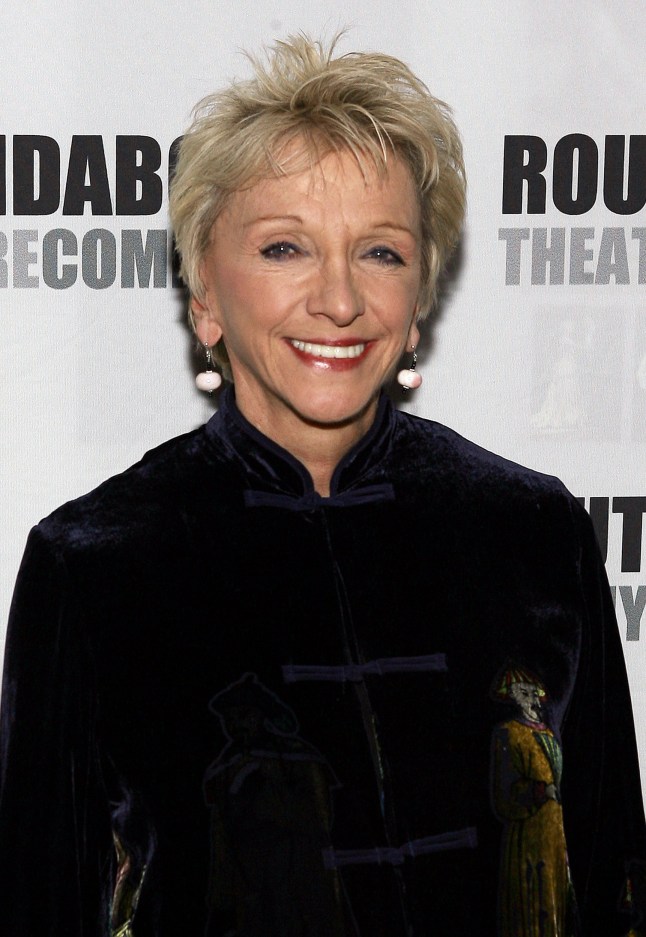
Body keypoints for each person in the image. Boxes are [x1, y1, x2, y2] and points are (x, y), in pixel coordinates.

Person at [0, 33, 644, 937]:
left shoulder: (537, 533)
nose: (338, 300)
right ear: (205, 296)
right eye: (284, 248)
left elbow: (616, 880)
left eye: (379, 252)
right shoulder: (93, 567)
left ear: (419, 295)